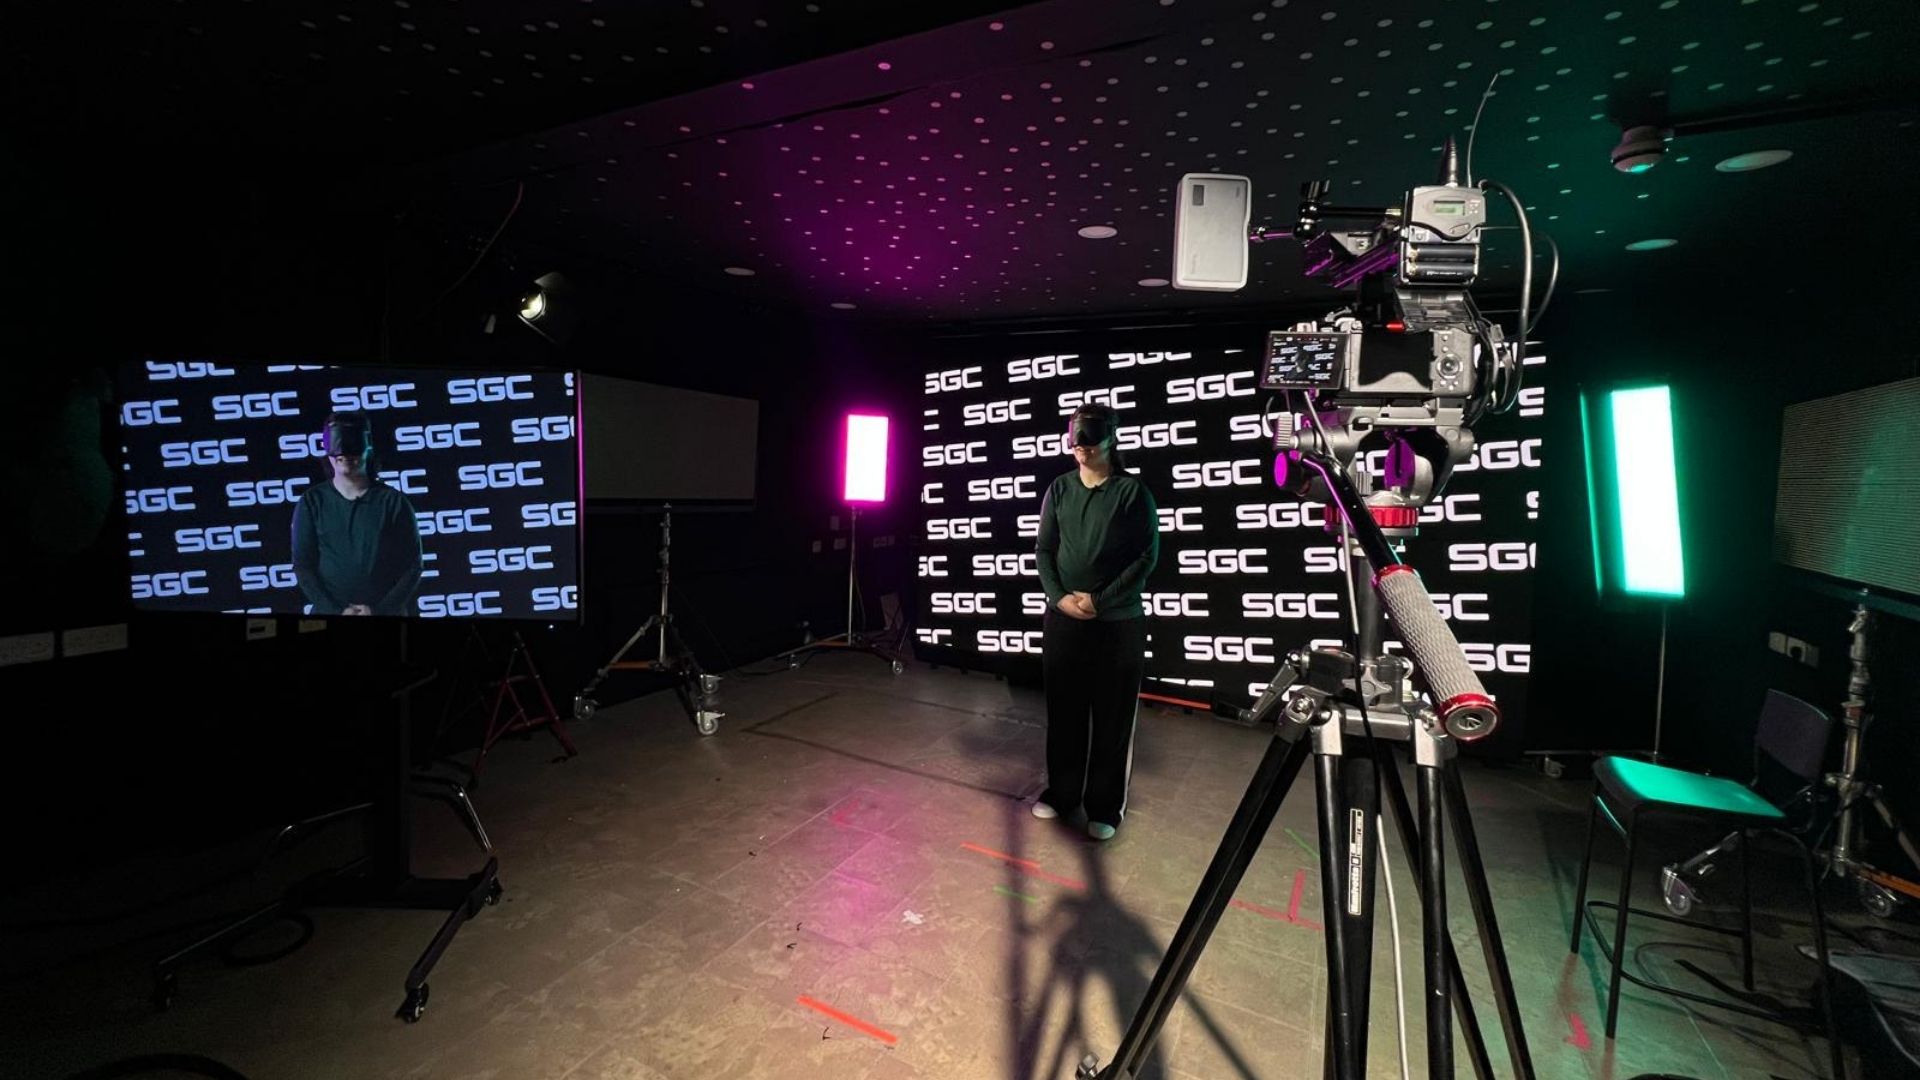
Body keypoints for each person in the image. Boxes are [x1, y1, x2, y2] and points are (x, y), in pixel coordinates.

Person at [1032, 402, 1160, 840]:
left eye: (1089, 438)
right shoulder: (1059, 489)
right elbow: (1044, 551)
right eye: (1075, 438)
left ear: (1110, 438)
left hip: (1117, 624)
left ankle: (1105, 806)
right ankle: (1062, 793)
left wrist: (1099, 601)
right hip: (1063, 620)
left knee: (1111, 717)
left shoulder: (1132, 493)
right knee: (1064, 712)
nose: (1080, 448)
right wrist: (1059, 598)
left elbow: (1146, 558)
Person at [290, 412, 423, 617]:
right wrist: (336, 610)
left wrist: (379, 611)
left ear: (367, 448)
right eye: (340, 455)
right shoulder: (312, 502)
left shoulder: (394, 503)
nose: (346, 459)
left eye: (352, 454)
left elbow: (412, 566)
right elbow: (303, 567)